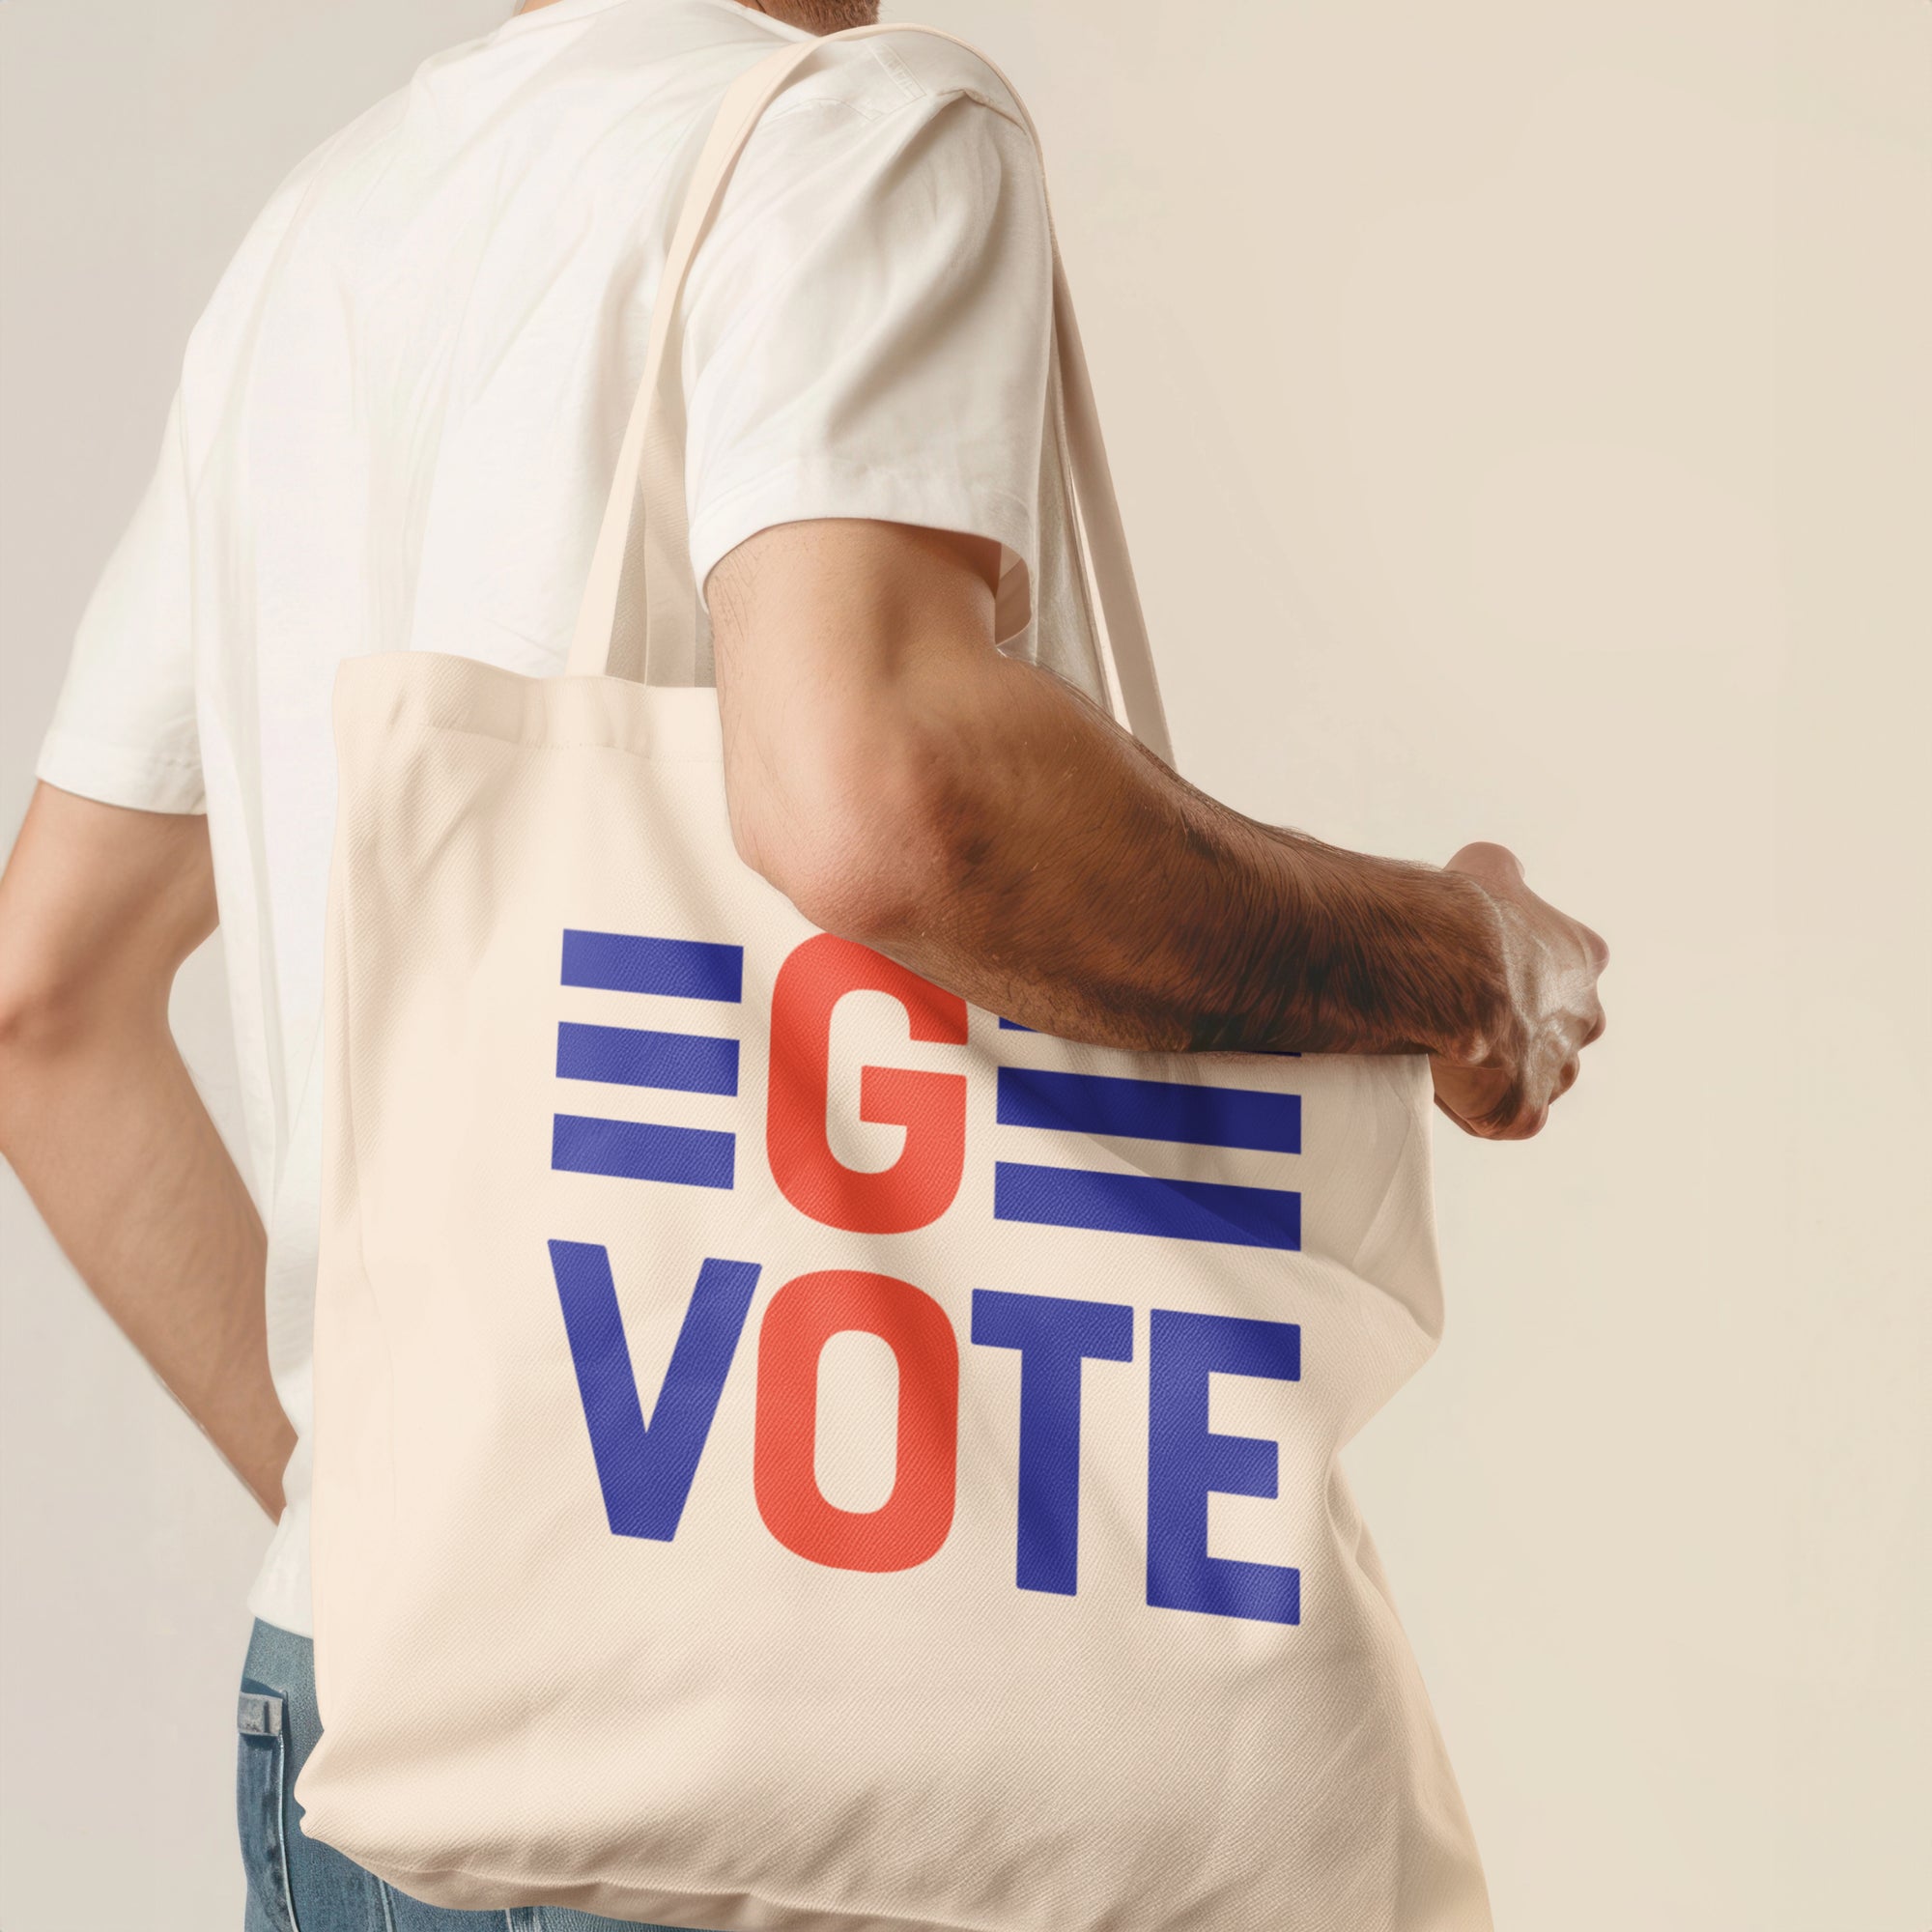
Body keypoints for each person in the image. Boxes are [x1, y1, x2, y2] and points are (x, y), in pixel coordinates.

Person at [0, 0, 1608, 1924]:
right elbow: (877, 793)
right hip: (806, 1764)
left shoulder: (319, 246)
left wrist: (419, 1530)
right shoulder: (861, 134)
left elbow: (46, 1003)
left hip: (366, 1717)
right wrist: (1450, 956)